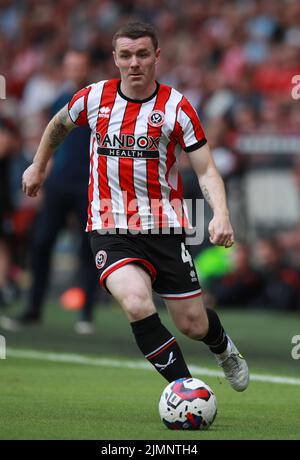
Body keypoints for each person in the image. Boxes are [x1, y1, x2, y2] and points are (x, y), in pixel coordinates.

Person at [20, 22, 249, 390]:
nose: (134, 63)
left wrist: (221, 214)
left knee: (192, 324)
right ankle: (185, 390)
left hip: (165, 228)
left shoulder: (177, 107)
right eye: (125, 55)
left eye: (142, 54)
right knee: (136, 302)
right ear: (115, 59)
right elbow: (59, 124)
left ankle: (223, 348)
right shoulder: (94, 97)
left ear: (156, 57)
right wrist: (38, 164)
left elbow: (207, 170)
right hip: (110, 227)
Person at [1, 50, 99, 334]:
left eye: (79, 65)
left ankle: (86, 314)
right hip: (58, 183)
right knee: (41, 243)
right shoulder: (59, 99)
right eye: (70, 65)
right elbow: (53, 143)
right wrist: (42, 172)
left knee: (89, 249)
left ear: (87, 68)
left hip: (88, 184)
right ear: (65, 69)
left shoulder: (97, 101)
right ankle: (33, 310)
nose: (74, 70)